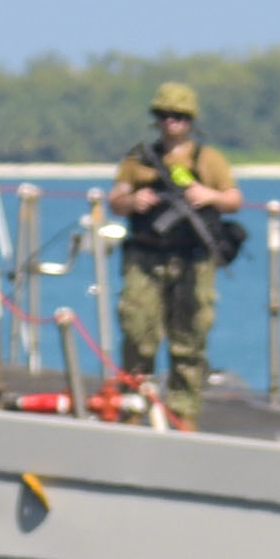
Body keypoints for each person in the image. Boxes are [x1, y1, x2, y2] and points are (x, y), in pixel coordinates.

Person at [107, 80, 241, 398]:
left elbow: (234, 200)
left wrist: (209, 195)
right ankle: (134, 401)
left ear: (190, 121)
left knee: (189, 337)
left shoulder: (208, 159)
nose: (171, 122)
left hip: (192, 258)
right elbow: (116, 200)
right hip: (145, 256)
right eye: (164, 115)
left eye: (178, 116)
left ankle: (184, 409)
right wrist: (133, 201)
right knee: (138, 332)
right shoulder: (138, 160)